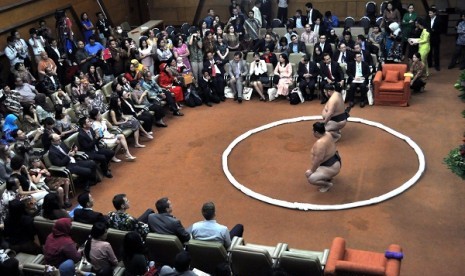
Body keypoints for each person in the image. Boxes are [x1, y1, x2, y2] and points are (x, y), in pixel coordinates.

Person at [305, 122, 341, 193]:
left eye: (313, 130)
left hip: (330, 167)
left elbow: (318, 160)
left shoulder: (320, 144)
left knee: (311, 178)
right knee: (313, 173)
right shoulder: (328, 134)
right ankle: (327, 177)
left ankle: (327, 185)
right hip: (335, 161)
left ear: (316, 132)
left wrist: (311, 171)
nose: (312, 132)